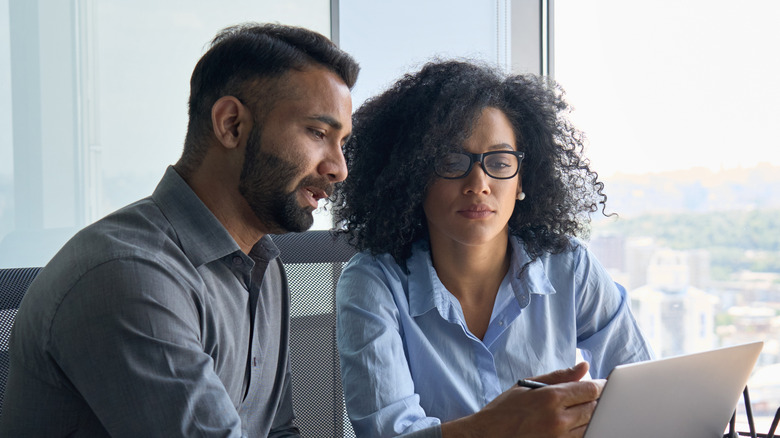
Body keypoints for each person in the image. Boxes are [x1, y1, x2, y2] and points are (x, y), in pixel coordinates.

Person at [0, 23, 358, 437]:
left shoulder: (263, 265)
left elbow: (277, 432)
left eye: (342, 142)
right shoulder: (130, 274)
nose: (339, 168)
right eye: (318, 133)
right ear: (231, 125)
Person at [332, 60, 654, 438]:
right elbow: (388, 434)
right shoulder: (372, 281)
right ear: (413, 176)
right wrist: (501, 427)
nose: (479, 183)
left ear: (522, 180)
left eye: (500, 162)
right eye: (452, 161)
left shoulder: (569, 265)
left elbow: (642, 392)